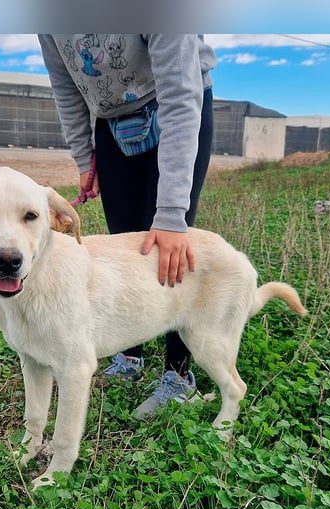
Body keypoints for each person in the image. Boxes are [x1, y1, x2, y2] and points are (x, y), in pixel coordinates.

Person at [37, 34, 216, 417]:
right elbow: (65, 84)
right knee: (123, 247)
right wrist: (84, 157)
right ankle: (129, 356)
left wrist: (171, 215)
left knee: (168, 250)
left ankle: (178, 375)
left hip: (175, 105)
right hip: (111, 119)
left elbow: (181, 96)